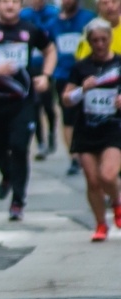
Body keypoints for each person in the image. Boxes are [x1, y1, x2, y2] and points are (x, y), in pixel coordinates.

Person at [0, 0, 56, 222]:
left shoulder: (29, 29)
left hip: (23, 102)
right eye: (5, 2)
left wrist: (45, 76)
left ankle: (18, 201)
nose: (10, 6)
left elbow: (50, 49)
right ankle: (7, 174)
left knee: (19, 147)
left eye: (15, 2)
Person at [62, 18, 121, 241]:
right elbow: (66, 99)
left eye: (103, 39)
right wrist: (81, 91)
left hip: (113, 129)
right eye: (95, 40)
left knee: (107, 174)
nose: (99, 44)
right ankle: (100, 225)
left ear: (110, 39)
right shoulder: (81, 67)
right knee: (93, 180)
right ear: (89, 41)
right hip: (86, 130)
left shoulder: (119, 64)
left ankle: (117, 202)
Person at [47, 0, 95, 176]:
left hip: (87, 76)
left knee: (88, 113)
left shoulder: (88, 18)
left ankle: (91, 150)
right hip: (63, 75)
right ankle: (74, 157)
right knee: (68, 117)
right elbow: (49, 47)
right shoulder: (53, 23)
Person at [20, 0, 60, 161]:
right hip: (30, 67)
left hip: (47, 67)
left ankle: (51, 132)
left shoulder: (53, 13)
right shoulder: (24, 15)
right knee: (35, 105)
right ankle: (41, 142)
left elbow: (53, 37)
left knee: (48, 105)